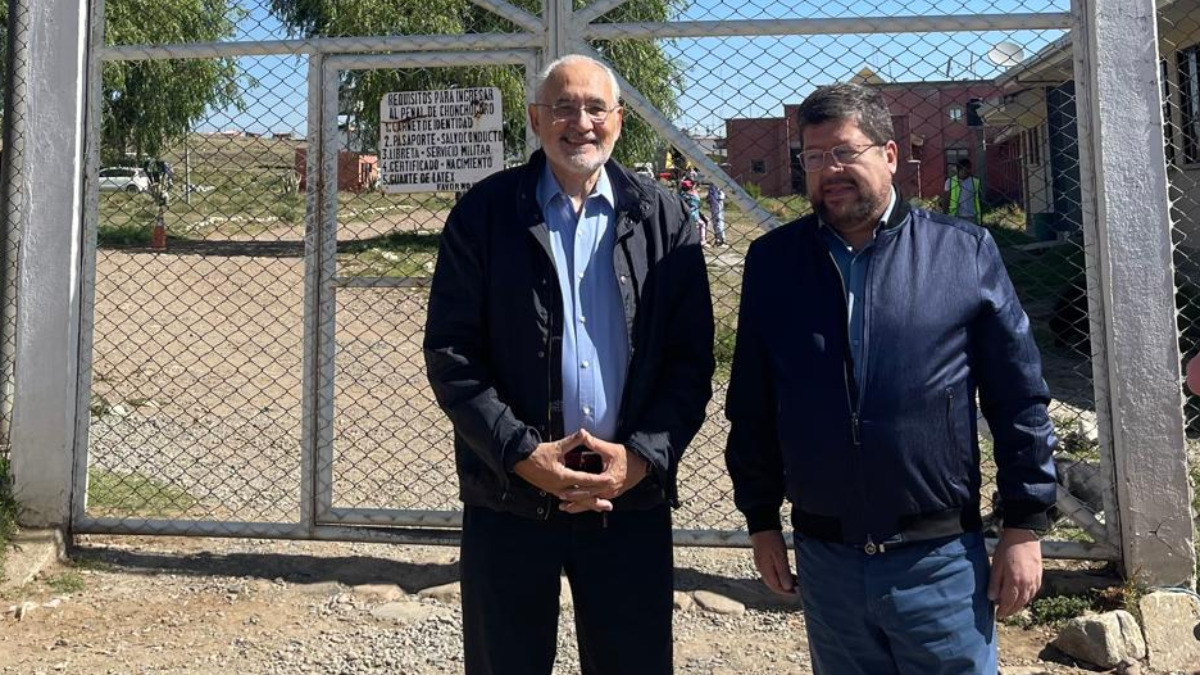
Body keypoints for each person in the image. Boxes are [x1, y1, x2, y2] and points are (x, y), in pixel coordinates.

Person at [724, 82, 1056, 674]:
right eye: (815, 156)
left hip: (939, 558)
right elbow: (752, 400)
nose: (831, 170)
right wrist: (761, 520)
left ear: (891, 155)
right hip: (828, 562)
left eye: (846, 151)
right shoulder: (774, 262)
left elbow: (1018, 398)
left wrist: (1025, 525)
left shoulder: (963, 253)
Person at [424, 53, 714, 675]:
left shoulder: (665, 219)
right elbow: (452, 354)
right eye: (562, 107)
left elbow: (691, 362)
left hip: (626, 497)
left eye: (594, 108)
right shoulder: (484, 214)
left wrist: (640, 459)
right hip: (511, 495)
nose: (578, 122)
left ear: (618, 120)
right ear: (535, 119)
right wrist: (524, 456)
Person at [944, 157, 983, 224]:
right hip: (955, 215)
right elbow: (947, 198)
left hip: (970, 216)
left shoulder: (975, 182)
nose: (968, 171)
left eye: (969, 168)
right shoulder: (950, 181)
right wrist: (945, 213)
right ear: (959, 169)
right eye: (966, 168)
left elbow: (979, 200)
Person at [680, 179, 705, 245]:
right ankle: (701, 240)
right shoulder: (692, 195)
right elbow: (697, 204)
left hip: (686, 214)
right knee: (701, 225)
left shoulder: (682, 195)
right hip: (693, 214)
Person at [706, 181, 727, 246]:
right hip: (713, 204)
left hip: (717, 204)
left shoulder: (717, 182)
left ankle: (721, 239)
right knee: (715, 222)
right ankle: (718, 238)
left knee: (718, 221)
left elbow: (721, 195)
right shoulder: (712, 183)